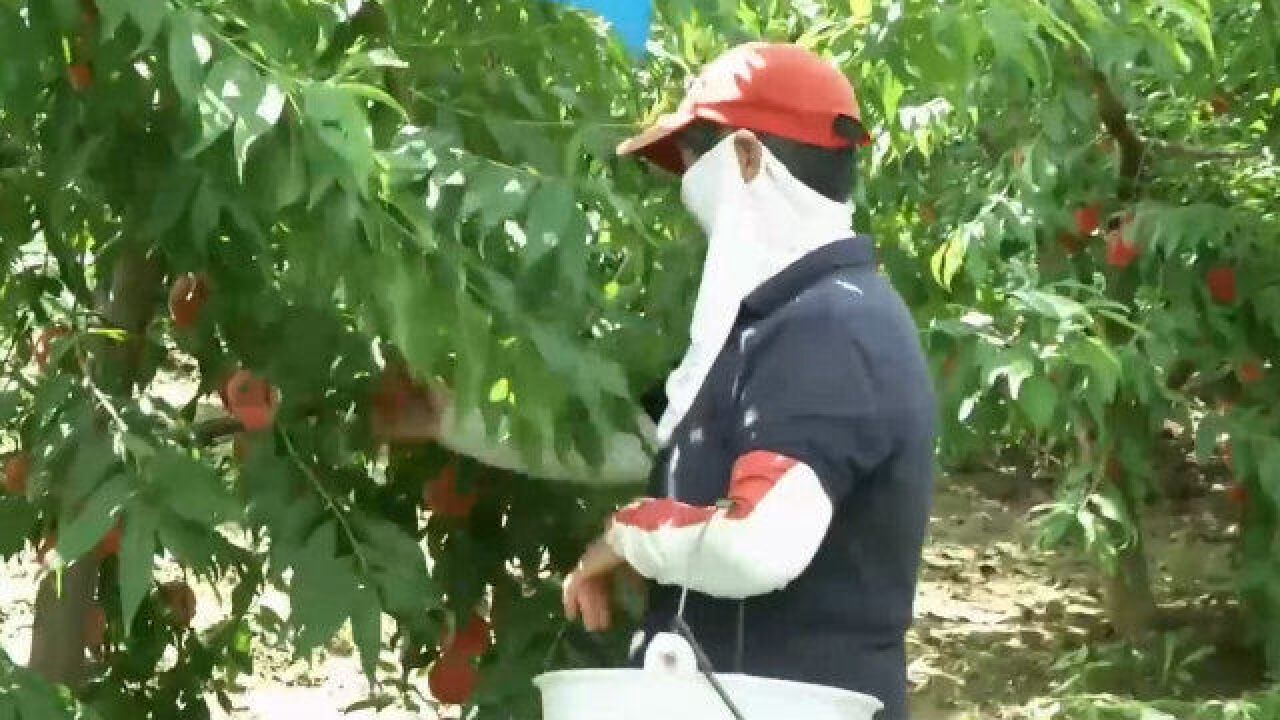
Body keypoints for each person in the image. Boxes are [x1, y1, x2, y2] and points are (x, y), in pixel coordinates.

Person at [560, 42, 937, 719]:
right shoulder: (774, 321)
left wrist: (625, 535)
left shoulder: (831, 327)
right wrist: (443, 419)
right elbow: (639, 445)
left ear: (745, 157)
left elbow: (757, 544)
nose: (680, 185)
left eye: (688, 160)